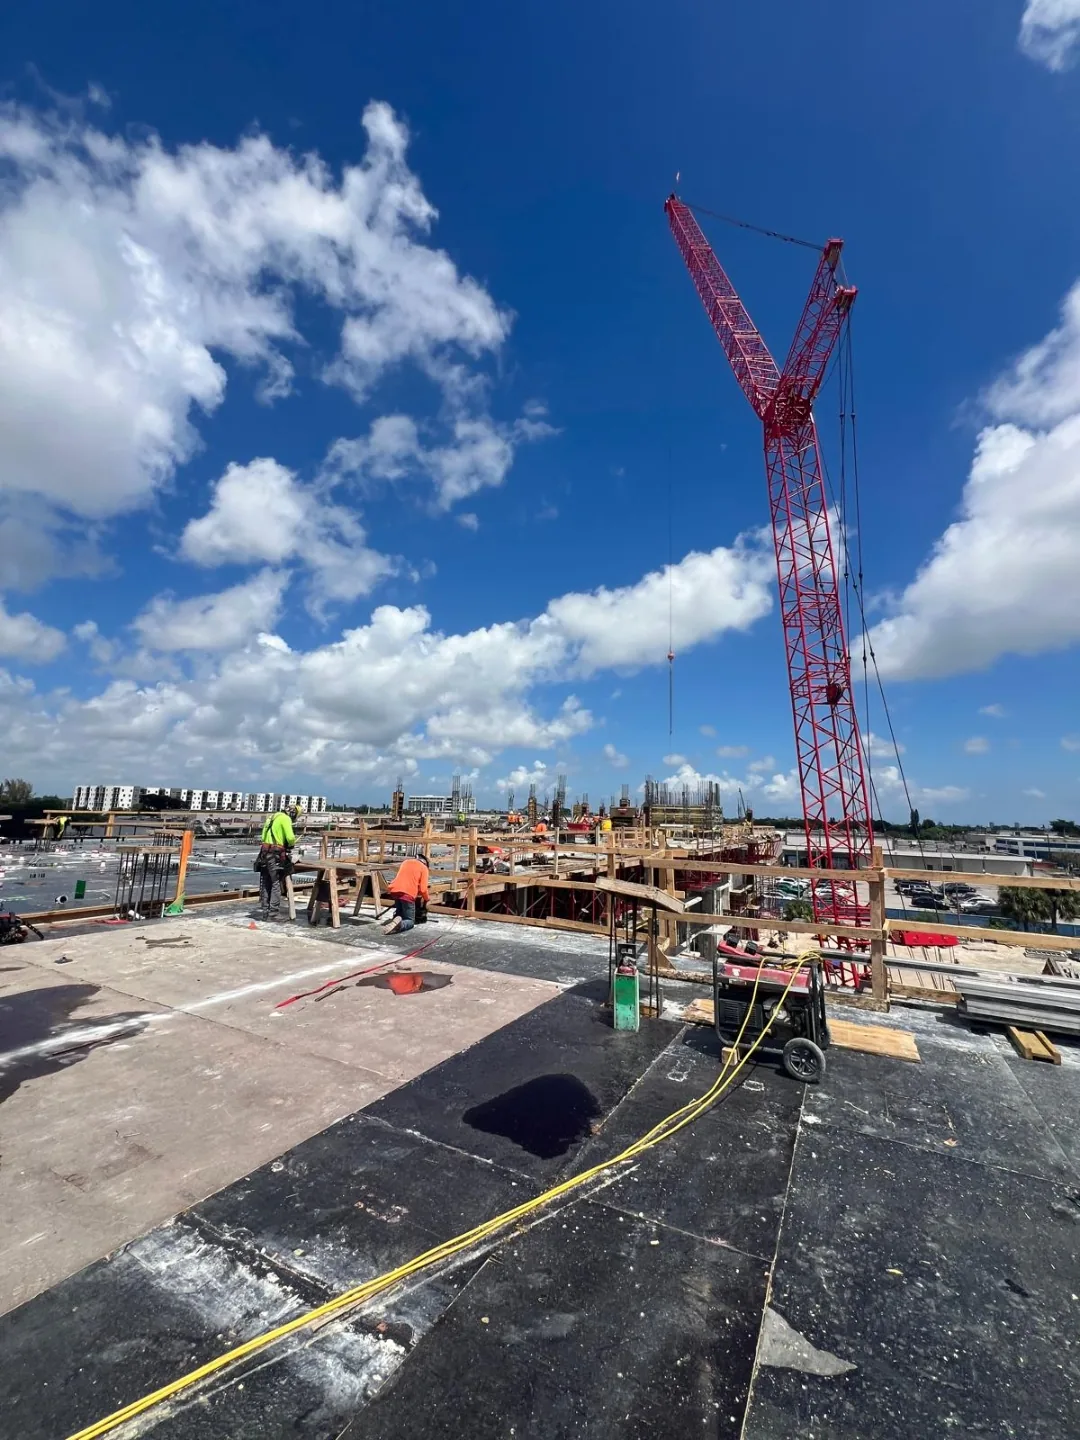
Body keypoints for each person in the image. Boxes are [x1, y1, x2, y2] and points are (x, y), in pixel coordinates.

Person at [256, 804, 298, 921]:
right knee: (275, 883)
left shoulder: (272, 817)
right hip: (275, 854)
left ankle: (265, 911)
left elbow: (264, 836)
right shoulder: (285, 818)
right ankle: (273, 913)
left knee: (266, 881)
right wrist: (290, 845)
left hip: (264, 852)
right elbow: (290, 837)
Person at [383, 853, 429, 934]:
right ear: (425, 863)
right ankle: (401, 925)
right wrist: (426, 899)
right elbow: (423, 889)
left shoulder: (406, 862)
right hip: (408, 893)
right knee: (410, 921)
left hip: (395, 890)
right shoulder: (424, 868)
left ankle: (397, 918)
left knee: (400, 912)